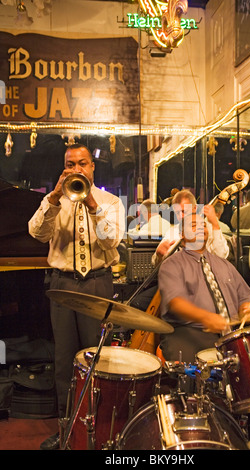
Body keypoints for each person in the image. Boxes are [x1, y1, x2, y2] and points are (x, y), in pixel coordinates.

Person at [28, 143, 125, 450]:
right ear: (64, 167)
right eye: (70, 165)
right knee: (64, 363)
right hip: (62, 283)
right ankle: (67, 429)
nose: (76, 169)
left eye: (82, 163)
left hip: (97, 283)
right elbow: (36, 233)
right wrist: (55, 198)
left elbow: (112, 242)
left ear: (92, 167)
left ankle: (98, 428)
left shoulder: (109, 202)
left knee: (98, 358)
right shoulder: (53, 201)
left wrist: (93, 205)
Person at [158, 212, 250, 365]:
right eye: (193, 225)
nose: (200, 228)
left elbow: (245, 296)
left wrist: (246, 308)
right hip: (191, 331)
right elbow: (175, 302)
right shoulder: (171, 265)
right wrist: (205, 317)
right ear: (182, 235)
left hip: (231, 332)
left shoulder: (224, 264)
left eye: (203, 225)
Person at [152, 189, 230, 267]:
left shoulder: (207, 229)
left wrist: (215, 224)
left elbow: (221, 255)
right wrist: (159, 256)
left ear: (195, 208)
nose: (180, 216)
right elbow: (155, 263)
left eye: (184, 211)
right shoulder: (174, 231)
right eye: (177, 213)